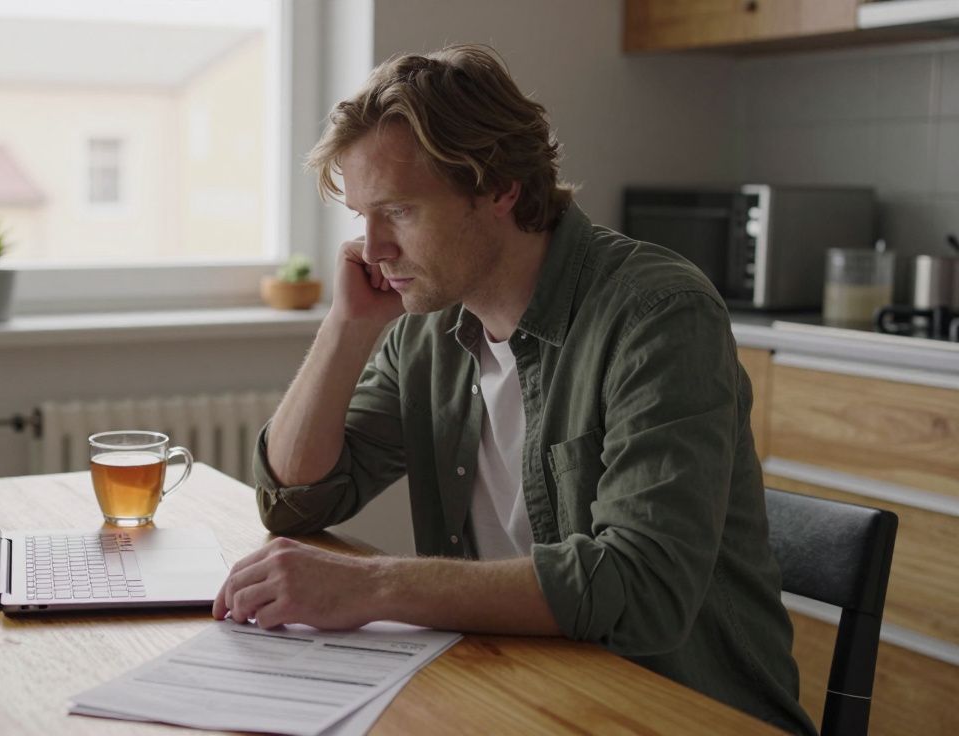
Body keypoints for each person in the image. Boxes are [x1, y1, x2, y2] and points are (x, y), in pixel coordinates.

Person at [211, 44, 816, 734]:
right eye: (362, 219)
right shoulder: (429, 325)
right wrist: (347, 328)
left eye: (400, 212)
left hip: (674, 709)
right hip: (519, 685)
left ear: (499, 188)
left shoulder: (658, 315)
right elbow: (297, 498)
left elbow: (642, 586)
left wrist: (373, 587)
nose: (372, 250)